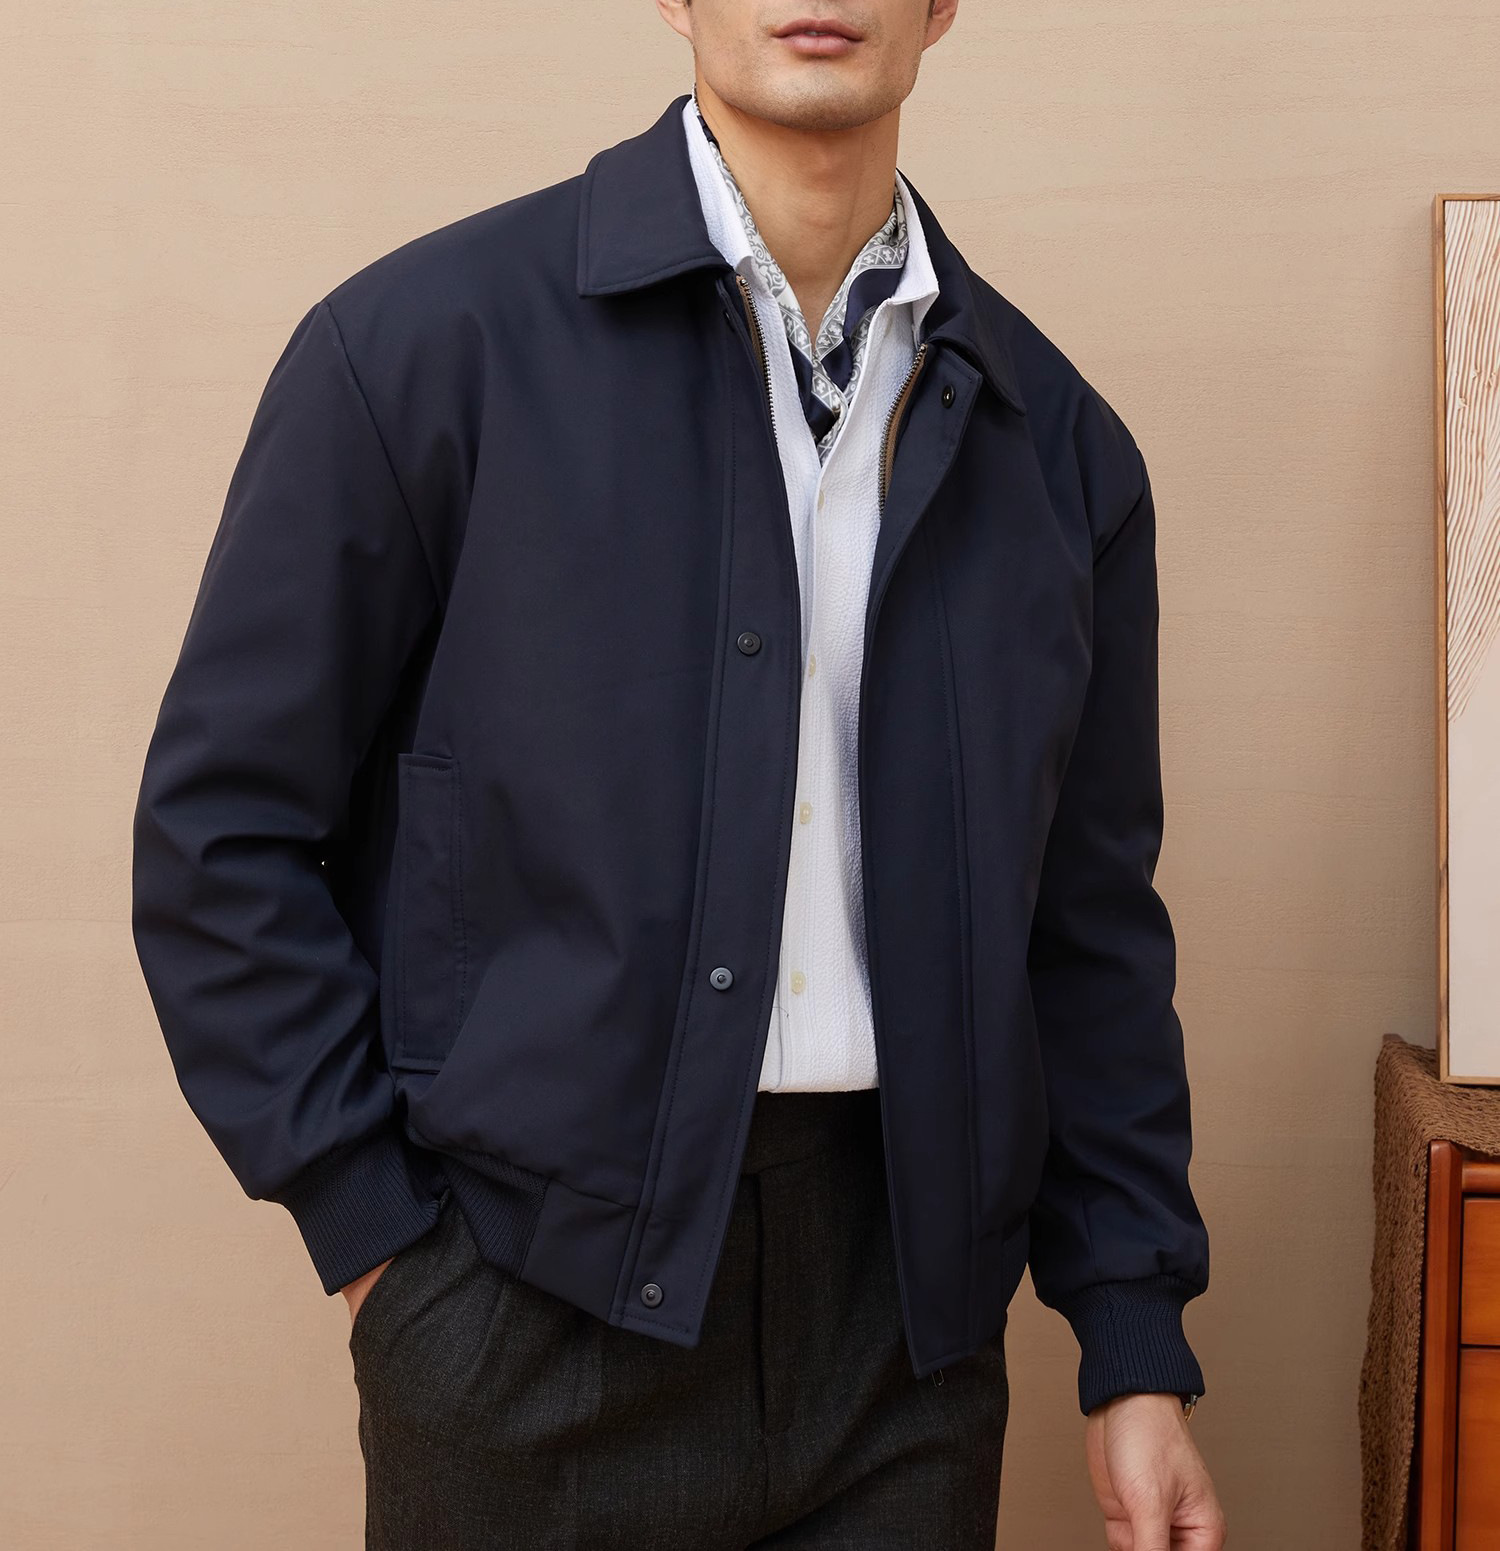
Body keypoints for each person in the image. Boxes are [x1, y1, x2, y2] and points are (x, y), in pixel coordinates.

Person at [131, 2, 1226, 1546]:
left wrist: (1133, 1338)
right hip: (523, 1315)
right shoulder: (426, 350)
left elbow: (1087, 929)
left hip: (905, 1353)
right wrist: (382, 1246)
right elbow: (221, 829)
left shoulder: (1056, 448)